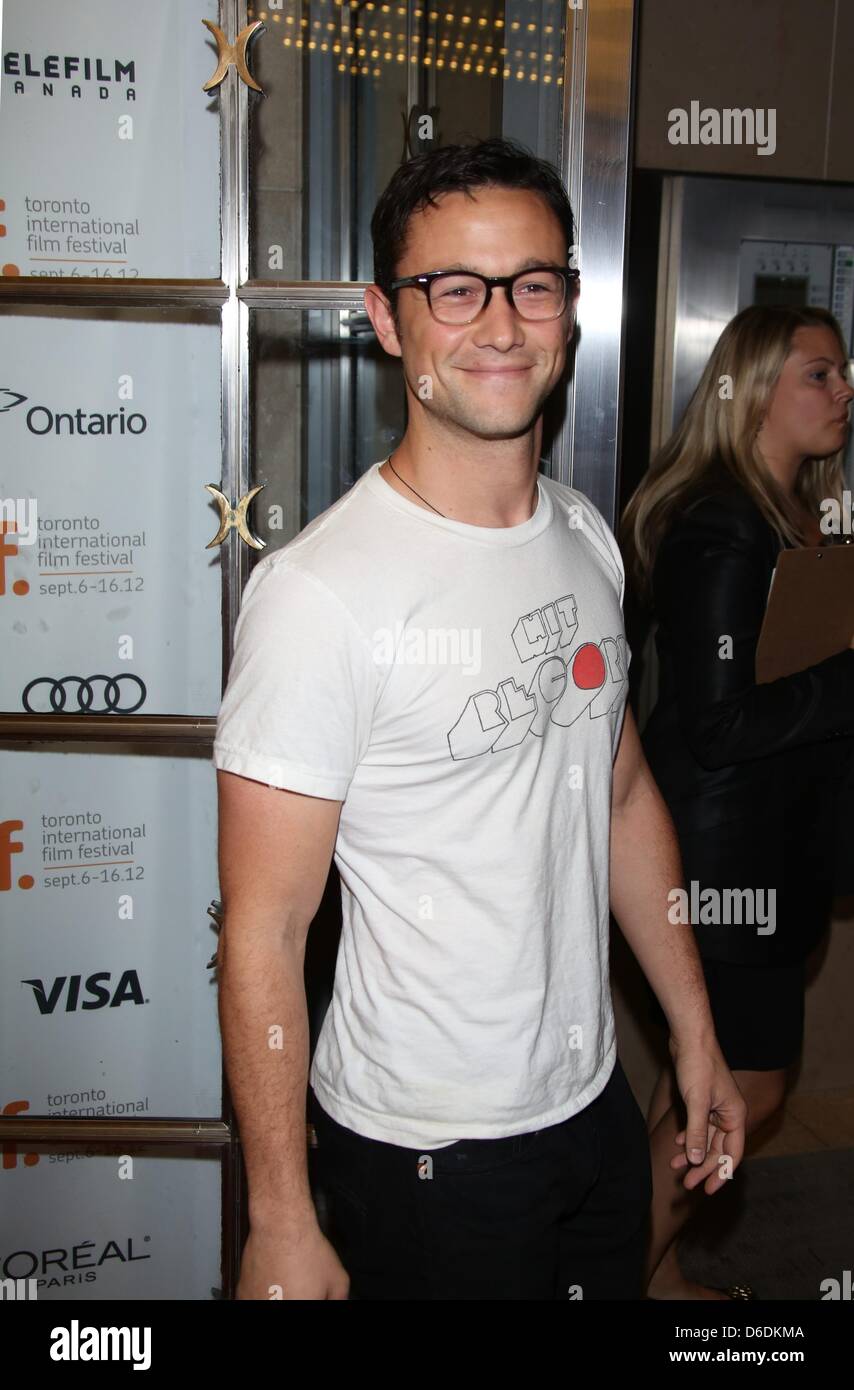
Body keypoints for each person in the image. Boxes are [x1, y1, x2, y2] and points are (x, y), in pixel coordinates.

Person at [213, 136, 745, 1302]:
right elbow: (264, 927)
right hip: (425, 1149)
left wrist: (692, 1030)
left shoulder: (584, 535)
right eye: (452, 288)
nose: (499, 324)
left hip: (592, 1104)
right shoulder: (319, 595)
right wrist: (279, 1218)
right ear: (387, 319)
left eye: (531, 284)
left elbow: (620, 793)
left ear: (566, 307)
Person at [620, 304, 854, 1300]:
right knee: (746, 1089)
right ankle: (615, 1279)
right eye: (818, 374)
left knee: (692, 1083)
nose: (841, 394)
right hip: (718, 870)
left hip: (764, 852)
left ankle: (652, 1274)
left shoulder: (788, 513)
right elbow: (714, 725)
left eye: (843, 375)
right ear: (754, 388)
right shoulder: (722, 522)